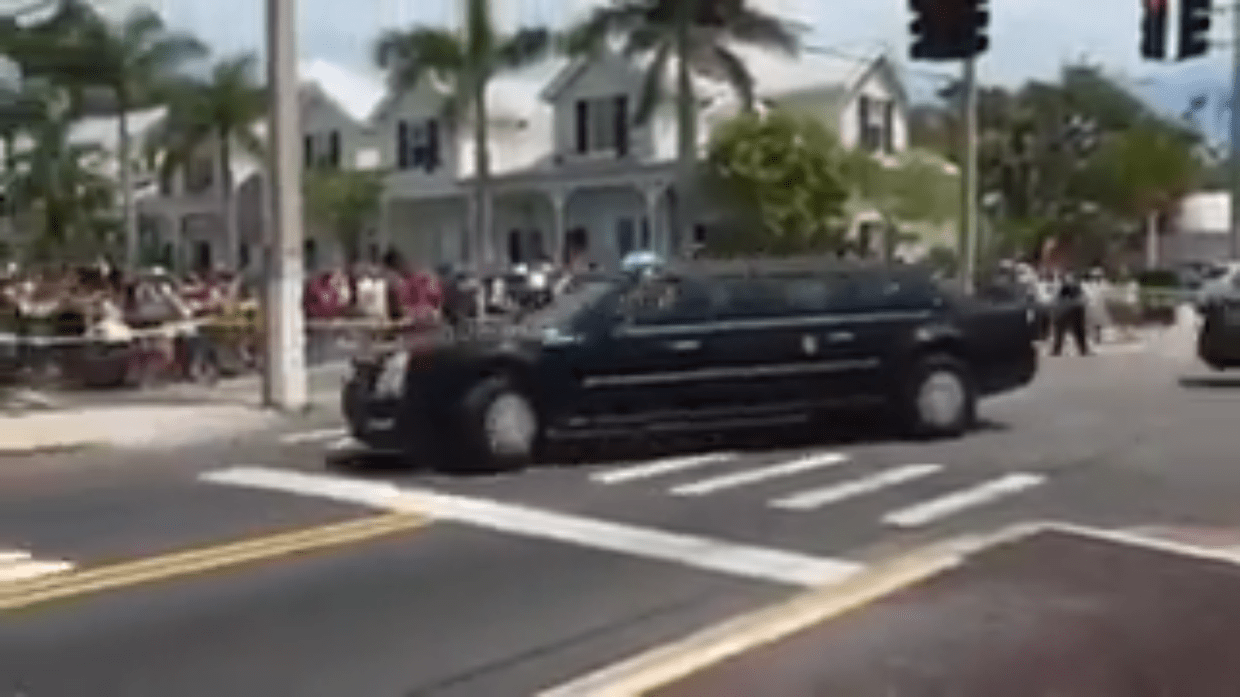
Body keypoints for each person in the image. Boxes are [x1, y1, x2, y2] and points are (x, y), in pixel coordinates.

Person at [1052, 272, 1090, 356]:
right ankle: (1083, 350)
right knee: (1079, 331)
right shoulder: (1077, 287)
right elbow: (1084, 298)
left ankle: (1057, 350)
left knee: (1059, 331)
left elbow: (1056, 300)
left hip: (1065, 309)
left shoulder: (1062, 287)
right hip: (1076, 308)